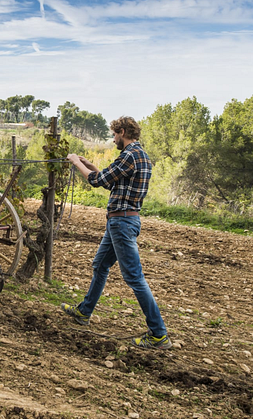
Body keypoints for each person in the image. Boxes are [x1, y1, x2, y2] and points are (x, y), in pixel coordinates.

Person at [62, 116, 171, 350]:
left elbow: (96, 181)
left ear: (122, 132)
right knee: (100, 265)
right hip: (122, 221)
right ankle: (84, 312)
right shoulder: (141, 156)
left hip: (121, 223)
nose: (113, 140)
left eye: (114, 135)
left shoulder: (129, 155)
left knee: (134, 277)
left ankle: (159, 334)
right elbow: (113, 182)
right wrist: (91, 165)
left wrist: (75, 162)